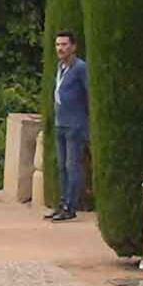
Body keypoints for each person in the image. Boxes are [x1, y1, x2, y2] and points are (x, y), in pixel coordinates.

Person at [48, 34, 92, 223]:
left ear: (73, 47)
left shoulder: (80, 68)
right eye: (58, 44)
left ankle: (70, 206)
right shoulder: (60, 67)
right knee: (62, 167)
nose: (60, 48)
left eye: (64, 44)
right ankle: (63, 202)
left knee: (72, 166)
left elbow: (89, 92)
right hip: (61, 123)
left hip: (75, 124)